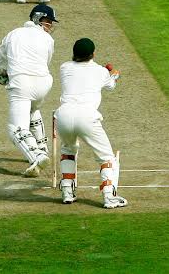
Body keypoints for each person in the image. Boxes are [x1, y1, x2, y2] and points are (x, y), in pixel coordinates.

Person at [54, 38, 128, 209]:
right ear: (93, 54)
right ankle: (109, 197)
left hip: (63, 115)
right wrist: (114, 75)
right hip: (87, 116)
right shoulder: (101, 72)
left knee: (68, 150)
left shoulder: (64, 67)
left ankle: (67, 191)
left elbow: (82, 73)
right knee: (106, 157)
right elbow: (110, 86)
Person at [0, 4, 58, 177]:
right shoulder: (48, 39)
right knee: (32, 109)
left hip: (20, 84)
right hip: (44, 83)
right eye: (48, 21)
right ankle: (41, 146)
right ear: (38, 18)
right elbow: (43, 63)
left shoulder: (13, 34)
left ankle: (37, 155)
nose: (50, 25)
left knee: (15, 128)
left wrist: (2, 74)